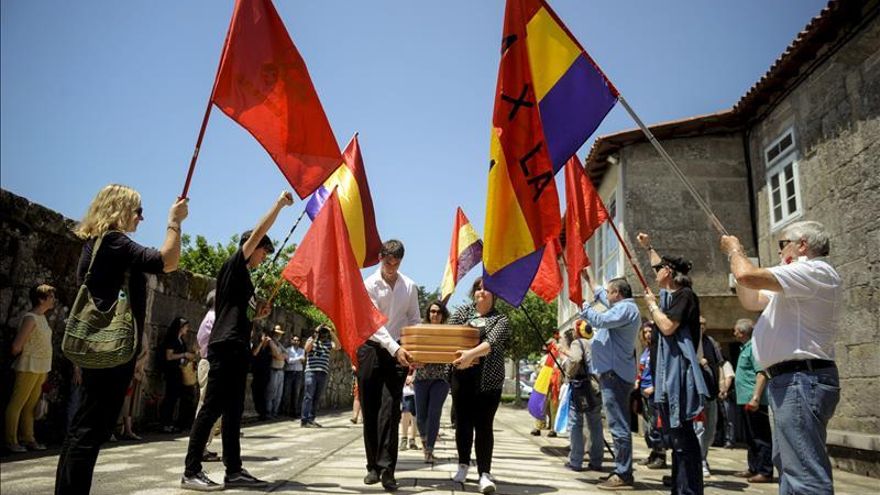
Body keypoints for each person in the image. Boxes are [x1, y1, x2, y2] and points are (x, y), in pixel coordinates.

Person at [55, 184, 187, 494]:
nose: (141, 217)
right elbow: (168, 261)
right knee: (88, 432)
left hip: (101, 346)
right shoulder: (114, 241)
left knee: (82, 430)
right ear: (119, 210)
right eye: (138, 210)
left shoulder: (95, 244)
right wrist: (174, 222)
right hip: (110, 352)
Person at [180, 190, 292, 491]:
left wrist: (257, 316)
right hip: (225, 347)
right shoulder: (234, 265)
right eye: (262, 252)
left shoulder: (245, 280)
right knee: (211, 409)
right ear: (252, 247)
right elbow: (259, 232)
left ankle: (234, 470)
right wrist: (279, 205)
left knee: (232, 413)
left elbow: (234, 314)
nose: (263, 257)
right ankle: (191, 471)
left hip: (237, 346)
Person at [721, 221, 841, 495]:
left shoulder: (813, 270)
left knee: (804, 473)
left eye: (782, 243)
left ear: (802, 245)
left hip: (801, 378)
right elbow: (751, 299)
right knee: (788, 467)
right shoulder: (794, 281)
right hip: (790, 380)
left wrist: (736, 251)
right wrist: (735, 263)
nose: (778, 252)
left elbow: (748, 277)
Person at [639, 232, 709, 495]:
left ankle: (689, 490)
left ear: (668, 272)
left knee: (684, 439)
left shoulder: (685, 296)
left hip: (678, 376)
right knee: (676, 441)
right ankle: (680, 490)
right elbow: (658, 265)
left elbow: (668, 327)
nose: (655, 273)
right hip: (666, 377)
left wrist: (652, 307)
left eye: (659, 270)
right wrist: (648, 248)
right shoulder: (671, 295)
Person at [358, 239, 419, 492]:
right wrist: (396, 348)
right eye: (387, 261)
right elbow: (373, 323)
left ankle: (388, 469)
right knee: (370, 410)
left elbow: (414, 318)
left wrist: (414, 348)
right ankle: (372, 466)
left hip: (398, 352)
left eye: (396, 262)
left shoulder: (410, 285)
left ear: (401, 260)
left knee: (391, 411)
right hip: (371, 349)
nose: (391, 266)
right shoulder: (369, 284)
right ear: (381, 257)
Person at [450, 277, 511, 495]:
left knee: (484, 426)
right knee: (463, 424)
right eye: (478, 288)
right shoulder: (462, 313)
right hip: (462, 378)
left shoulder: (500, 319)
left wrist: (470, 354)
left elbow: (491, 343)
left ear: (494, 295)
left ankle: (484, 473)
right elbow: (450, 336)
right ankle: (463, 465)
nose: (481, 292)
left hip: (488, 381)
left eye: (486, 289)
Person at [579, 276, 641, 490]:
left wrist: (582, 304)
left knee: (619, 425)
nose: (607, 295)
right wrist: (588, 279)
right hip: (612, 374)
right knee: (617, 424)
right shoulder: (622, 306)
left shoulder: (625, 309)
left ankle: (624, 473)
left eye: (610, 291)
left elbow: (600, 321)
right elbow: (602, 296)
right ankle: (621, 470)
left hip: (615, 375)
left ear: (618, 293)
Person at [5, 284, 56, 453]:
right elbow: (16, 346)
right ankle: (11, 440)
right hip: (29, 365)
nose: (53, 299)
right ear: (41, 299)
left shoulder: (41, 318)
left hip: (41, 367)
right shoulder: (30, 318)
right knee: (17, 403)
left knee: (31, 405)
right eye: (50, 296)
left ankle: (28, 438)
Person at [731, 318, 773, 483]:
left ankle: (765, 470)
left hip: (754, 400)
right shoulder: (745, 348)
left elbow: (761, 373)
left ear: (741, 332)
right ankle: (753, 467)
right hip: (744, 399)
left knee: (760, 436)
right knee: (750, 436)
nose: (733, 333)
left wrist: (756, 397)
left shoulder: (755, 348)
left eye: (735, 330)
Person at [562, 324, 604, 473]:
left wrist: (568, 375)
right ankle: (597, 461)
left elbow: (574, 359)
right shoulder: (596, 342)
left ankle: (576, 461)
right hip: (597, 387)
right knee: (596, 425)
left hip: (582, 388)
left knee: (576, 424)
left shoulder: (577, 343)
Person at [413, 300, 451, 463]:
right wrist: (415, 361)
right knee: (421, 415)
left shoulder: (448, 332)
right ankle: (424, 442)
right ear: (428, 313)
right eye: (432, 311)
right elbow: (412, 350)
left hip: (440, 379)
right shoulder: (419, 329)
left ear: (443, 315)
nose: (435, 314)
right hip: (421, 378)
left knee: (434, 413)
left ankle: (429, 449)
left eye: (438, 312)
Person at [695, 316, 723, 478]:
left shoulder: (710, 342)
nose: (701, 327)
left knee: (710, 429)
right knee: (699, 428)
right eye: (699, 324)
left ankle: (704, 455)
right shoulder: (690, 342)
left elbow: (720, 363)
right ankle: (700, 460)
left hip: (711, 392)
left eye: (704, 324)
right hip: (698, 392)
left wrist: (721, 385)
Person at [195, 290, 221, 462]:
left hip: (211, 362)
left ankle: (202, 445)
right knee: (206, 407)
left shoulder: (214, 317)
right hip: (210, 363)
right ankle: (199, 447)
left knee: (212, 408)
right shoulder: (213, 319)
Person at [636, 321, 666, 469]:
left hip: (654, 392)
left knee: (656, 425)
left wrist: (655, 388)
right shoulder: (646, 350)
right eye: (645, 332)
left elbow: (663, 372)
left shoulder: (659, 349)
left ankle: (661, 455)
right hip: (644, 390)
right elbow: (643, 370)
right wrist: (637, 381)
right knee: (648, 426)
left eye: (650, 331)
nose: (648, 334)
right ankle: (654, 453)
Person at [160, 317, 194, 433]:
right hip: (172, 372)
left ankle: (176, 423)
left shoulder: (181, 340)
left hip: (179, 372)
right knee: (170, 398)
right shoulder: (172, 339)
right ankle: (165, 423)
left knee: (177, 398)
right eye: (186, 327)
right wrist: (183, 354)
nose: (187, 329)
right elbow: (169, 356)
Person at [301, 324, 338, 428]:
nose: (323, 333)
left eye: (325, 332)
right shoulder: (312, 339)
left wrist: (332, 332)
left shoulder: (329, 343)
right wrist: (315, 333)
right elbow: (307, 349)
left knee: (316, 397)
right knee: (308, 396)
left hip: (323, 372)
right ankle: (304, 420)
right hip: (311, 371)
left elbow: (338, 346)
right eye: (323, 331)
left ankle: (311, 419)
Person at [250, 327, 273, 421]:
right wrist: (261, 343)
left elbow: (277, 354)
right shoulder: (256, 345)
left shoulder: (269, 348)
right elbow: (255, 354)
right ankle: (259, 412)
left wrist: (270, 343)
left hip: (265, 374)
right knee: (256, 393)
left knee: (263, 394)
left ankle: (263, 413)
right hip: (257, 373)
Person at [266, 325, 287, 418]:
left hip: (280, 370)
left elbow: (287, 355)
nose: (278, 335)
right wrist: (281, 356)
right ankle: (268, 412)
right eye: (277, 333)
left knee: (279, 394)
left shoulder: (279, 344)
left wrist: (280, 356)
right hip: (273, 370)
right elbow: (277, 355)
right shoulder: (270, 342)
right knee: (271, 392)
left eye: (279, 334)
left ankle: (275, 412)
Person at [282, 334, 305, 418]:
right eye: (294, 340)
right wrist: (298, 359)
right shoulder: (287, 350)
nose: (296, 342)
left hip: (298, 373)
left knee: (296, 393)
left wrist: (295, 359)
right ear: (291, 341)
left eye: (297, 340)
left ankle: (294, 412)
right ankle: (284, 411)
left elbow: (302, 360)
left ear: (299, 342)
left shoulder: (302, 350)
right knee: (287, 392)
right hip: (289, 372)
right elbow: (288, 361)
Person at [718, 357, 737, 448]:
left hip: (725, 395)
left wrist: (724, 390)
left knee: (728, 419)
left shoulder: (725, 364)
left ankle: (730, 440)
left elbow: (729, 377)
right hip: (716, 396)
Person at [399, 371, 418, 451]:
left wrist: (414, 377)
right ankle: (404, 438)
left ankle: (412, 439)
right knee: (406, 411)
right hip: (407, 386)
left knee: (416, 414)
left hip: (419, 381)